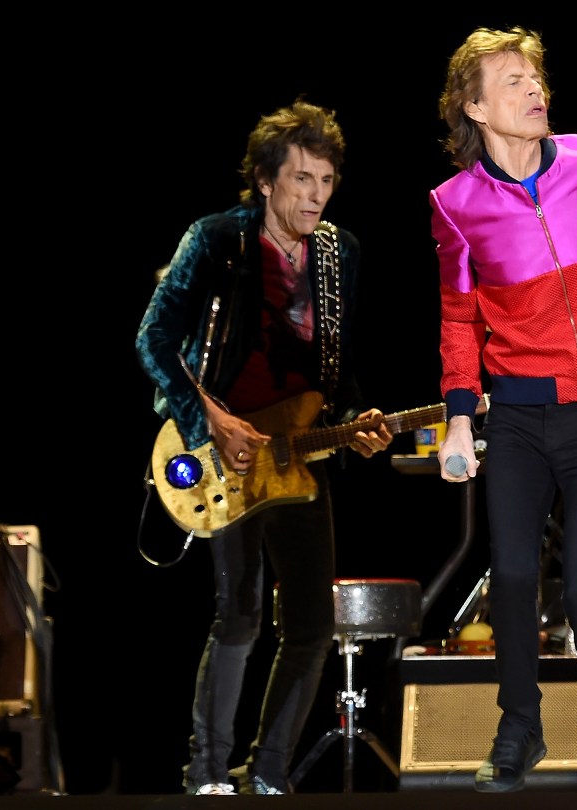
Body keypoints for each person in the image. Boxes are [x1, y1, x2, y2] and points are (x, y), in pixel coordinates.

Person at [135, 99, 393, 796]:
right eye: (302, 179)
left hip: (297, 455)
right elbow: (154, 340)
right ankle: (206, 773)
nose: (315, 195)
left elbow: (335, 367)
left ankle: (269, 774)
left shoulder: (340, 253)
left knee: (311, 623)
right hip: (227, 449)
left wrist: (354, 419)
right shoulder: (218, 238)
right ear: (265, 180)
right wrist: (210, 420)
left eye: (326, 181)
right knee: (240, 615)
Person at [429, 26, 577, 795]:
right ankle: (519, 729)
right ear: (475, 107)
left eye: (535, 76)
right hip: (520, 417)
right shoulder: (456, 206)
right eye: (513, 80)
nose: (534, 89)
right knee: (513, 575)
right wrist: (459, 417)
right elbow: (458, 318)